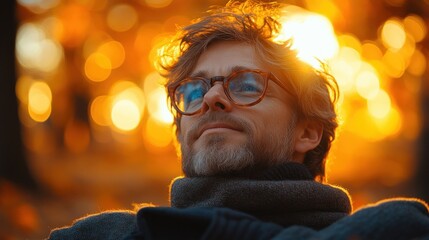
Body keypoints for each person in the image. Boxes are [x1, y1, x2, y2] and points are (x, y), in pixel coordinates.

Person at [48, 1, 429, 239]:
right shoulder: (103, 234)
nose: (212, 98)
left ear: (308, 133)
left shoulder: (393, 229)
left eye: (246, 85)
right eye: (194, 92)